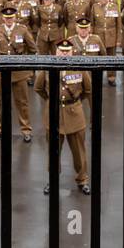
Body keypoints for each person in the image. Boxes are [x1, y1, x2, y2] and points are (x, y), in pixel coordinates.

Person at [34, 40, 92, 195]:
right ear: (56, 51)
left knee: (79, 152)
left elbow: (88, 90)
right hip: (54, 113)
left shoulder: (79, 67)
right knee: (53, 151)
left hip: (75, 114)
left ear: (72, 52)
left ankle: (82, 179)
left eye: (67, 50)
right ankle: (52, 179)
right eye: (61, 50)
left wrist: (75, 102)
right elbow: (38, 88)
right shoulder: (48, 68)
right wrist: (52, 101)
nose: (65, 53)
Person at [0, 6, 34, 142]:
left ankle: (26, 129)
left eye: (11, 18)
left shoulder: (22, 29)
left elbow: (33, 49)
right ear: (3, 18)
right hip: (2, 72)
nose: (9, 20)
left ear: (15, 17)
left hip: (19, 73)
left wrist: (26, 67)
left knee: (22, 102)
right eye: (6, 18)